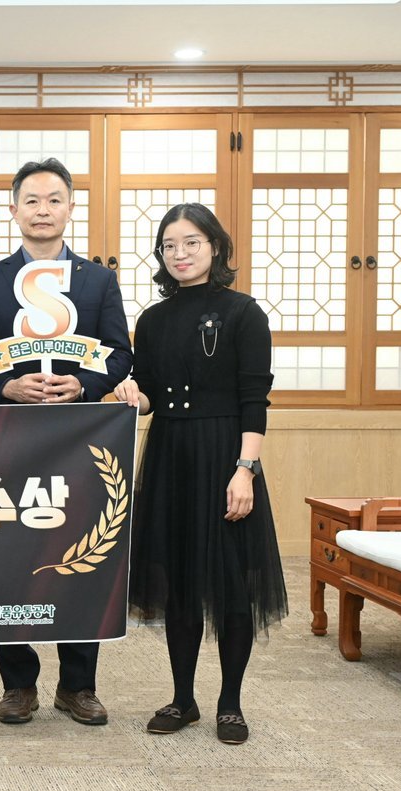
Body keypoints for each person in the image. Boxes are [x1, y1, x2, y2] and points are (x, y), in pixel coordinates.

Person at [0, 157, 131, 727]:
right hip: (10, 441)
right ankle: (18, 684)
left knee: (84, 555)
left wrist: (86, 385)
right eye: (31, 200)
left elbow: (121, 353)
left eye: (54, 200)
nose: (42, 210)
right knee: (9, 558)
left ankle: (79, 685)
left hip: (81, 441)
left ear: (71, 208)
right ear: (13, 210)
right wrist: (4, 386)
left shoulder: (98, 280)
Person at [113, 202, 287, 744]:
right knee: (179, 582)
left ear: (215, 247)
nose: (180, 253)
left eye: (191, 242)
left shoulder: (243, 312)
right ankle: (183, 698)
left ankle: (230, 703)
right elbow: (149, 394)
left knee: (232, 585)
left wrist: (245, 470)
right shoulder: (152, 319)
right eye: (169, 245)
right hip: (170, 454)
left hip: (225, 455)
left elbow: (254, 399)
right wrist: (131, 393)